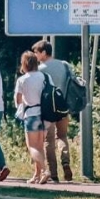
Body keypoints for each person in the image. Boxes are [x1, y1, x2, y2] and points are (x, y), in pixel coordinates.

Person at [32, 39, 74, 182]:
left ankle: (53, 174)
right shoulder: (65, 65)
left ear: (44, 53)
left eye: (36, 52)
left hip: (48, 108)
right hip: (63, 106)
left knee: (48, 141)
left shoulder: (41, 70)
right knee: (62, 137)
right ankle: (66, 162)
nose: (35, 56)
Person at [14, 50, 51, 184]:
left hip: (31, 115)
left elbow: (18, 100)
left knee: (32, 147)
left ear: (24, 64)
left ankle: (45, 170)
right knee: (40, 146)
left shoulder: (22, 80)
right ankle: (37, 175)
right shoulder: (45, 77)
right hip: (45, 115)